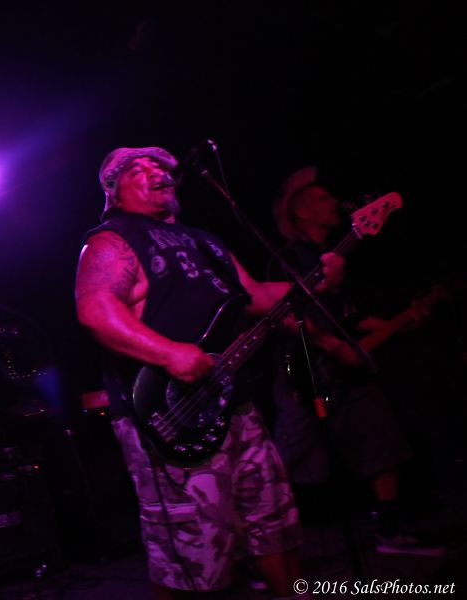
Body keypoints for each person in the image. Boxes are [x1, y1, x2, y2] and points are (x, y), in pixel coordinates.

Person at [74, 147, 341, 599]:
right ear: (112, 190)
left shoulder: (205, 240)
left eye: (161, 167)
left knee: (272, 522)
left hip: (232, 401)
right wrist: (168, 354)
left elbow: (256, 296)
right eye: (139, 169)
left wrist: (319, 277)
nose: (157, 172)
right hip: (167, 414)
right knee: (194, 550)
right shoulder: (113, 239)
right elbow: (96, 311)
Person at [269, 165, 444, 556]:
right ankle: (266, 550)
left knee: (382, 441)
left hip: (344, 370)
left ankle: (389, 530)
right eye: (322, 199)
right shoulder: (289, 259)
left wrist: (397, 321)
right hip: (304, 370)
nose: (333, 202)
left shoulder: (330, 258)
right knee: (292, 460)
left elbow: (346, 315)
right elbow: (285, 317)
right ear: (302, 212)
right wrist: (333, 345)